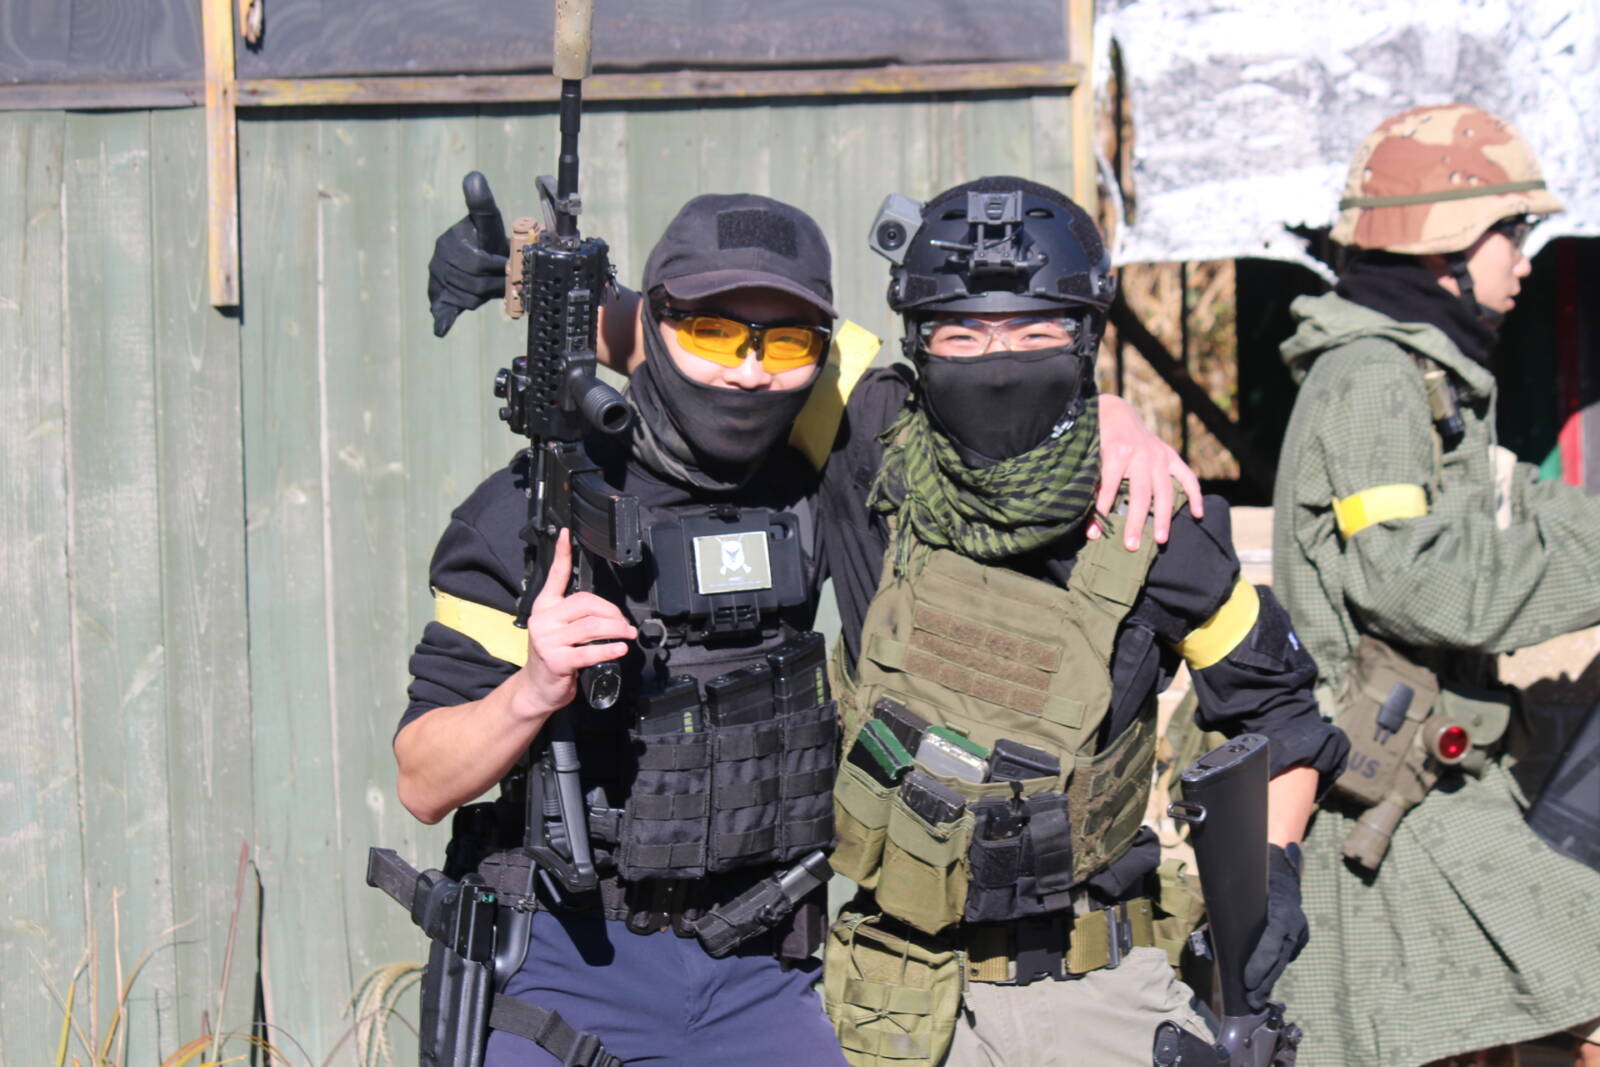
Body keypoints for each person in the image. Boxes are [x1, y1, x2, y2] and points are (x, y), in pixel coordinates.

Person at [399, 188, 1198, 1065]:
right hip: (567, 961)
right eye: (712, 336)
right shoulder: (531, 511)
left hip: (762, 968)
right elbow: (423, 782)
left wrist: (1109, 415)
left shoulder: (824, 460)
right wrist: (530, 692)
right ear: (656, 328)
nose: (748, 372)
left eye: (785, 344)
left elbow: (979, 399)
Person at [817, 175, 1348, 1067]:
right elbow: (698, 332)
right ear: (917, 341)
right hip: (892, 1000)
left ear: (1085, 338)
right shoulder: (865, 438)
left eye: (1035, 332)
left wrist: (1274, 871)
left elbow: (1281, 713)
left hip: (1096, 990)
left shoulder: (1153, 519)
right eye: (963, 333)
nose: (999, 360)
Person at [1271, 103, 1600, 1067]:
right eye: (1512, 233)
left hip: (1434, 787)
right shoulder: (1374, 378)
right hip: (1397, 803)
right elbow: (1415, 580)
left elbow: (1509, 510)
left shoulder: (1427, 374)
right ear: (1446, 242)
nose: (1525, 262)